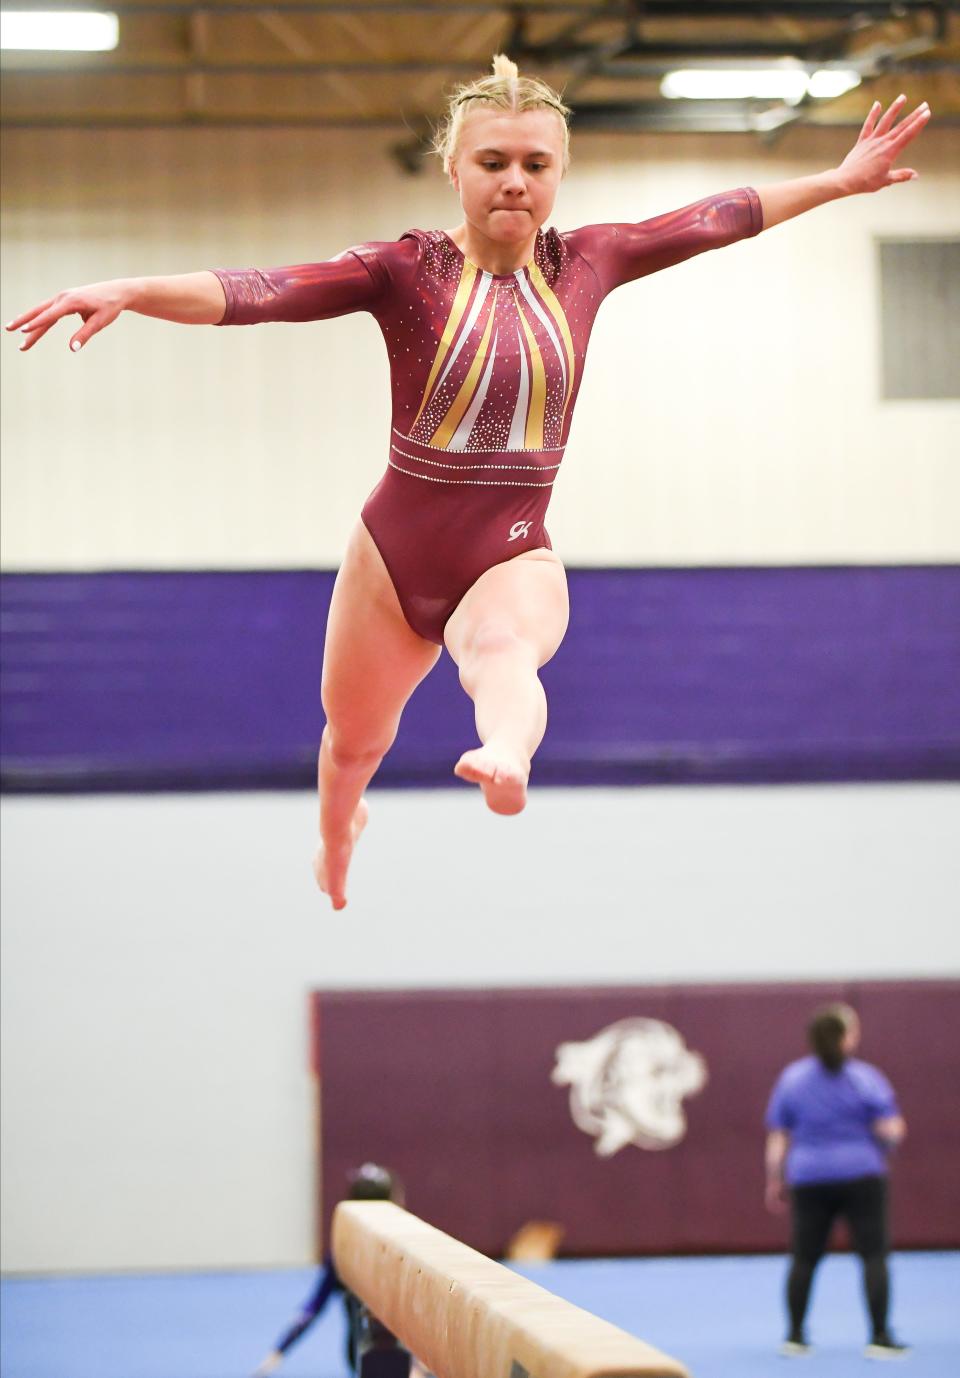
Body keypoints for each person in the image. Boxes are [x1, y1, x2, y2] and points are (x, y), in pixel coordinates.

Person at [6, 58, 931, 910]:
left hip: (509, 550)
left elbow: (714, 218)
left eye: (537, 163)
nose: (516, 181)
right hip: (390, 555)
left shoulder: (590, 262)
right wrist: (131, 287)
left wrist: (838, 181)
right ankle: (338, 832)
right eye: (493, 161)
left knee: (504, 657)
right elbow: (260, 290)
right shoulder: (404, 270)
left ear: (561, 173)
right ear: (454, 168)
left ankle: (502, 753)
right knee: (352, 742)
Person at [764, 1003, 908, 1359]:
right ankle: (879, 1337)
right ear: (846, 1038)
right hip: (861, 1175)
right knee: (873, 1255)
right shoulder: (866, 1079)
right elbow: (890, 1129)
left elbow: (778, 1137)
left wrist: (774, 1179)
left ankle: (795, 1336)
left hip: (810, 1177)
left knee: (804, 1258)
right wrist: (883, 1138)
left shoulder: (793, 1079)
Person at [251, 1162, 413, 1377]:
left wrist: (279, 1351)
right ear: (393, 1204)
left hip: (360, 1353)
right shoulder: (401, 1252)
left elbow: (312, 1308)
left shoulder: (343, 1252)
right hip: (381, 1353)